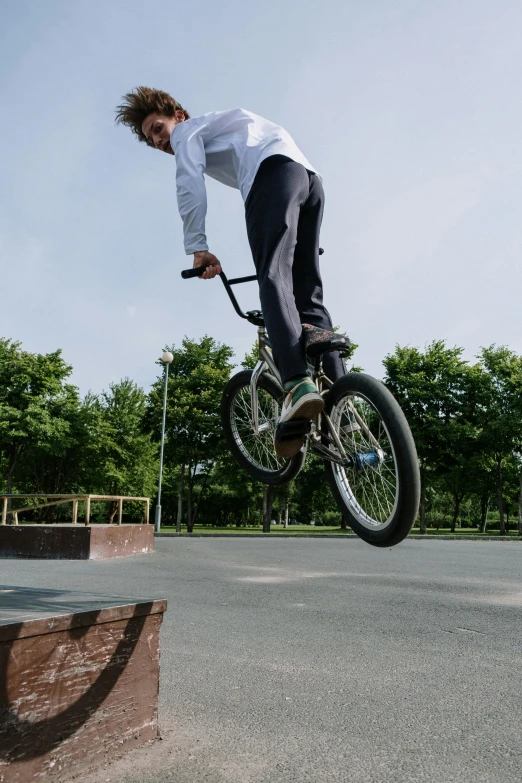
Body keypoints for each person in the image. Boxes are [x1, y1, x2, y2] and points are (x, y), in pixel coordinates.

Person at [115, 87, 346, 457]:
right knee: (306, 293)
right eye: (150, 139)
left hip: (272, 176)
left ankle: (298, 383)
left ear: (178, 115)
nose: (158, 141)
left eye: (158, 129)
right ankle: (344, 401)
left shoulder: (190, 132)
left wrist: (198, 247)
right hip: (307, 178)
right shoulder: (227, 127)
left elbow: (188, 184)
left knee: (272, 278)